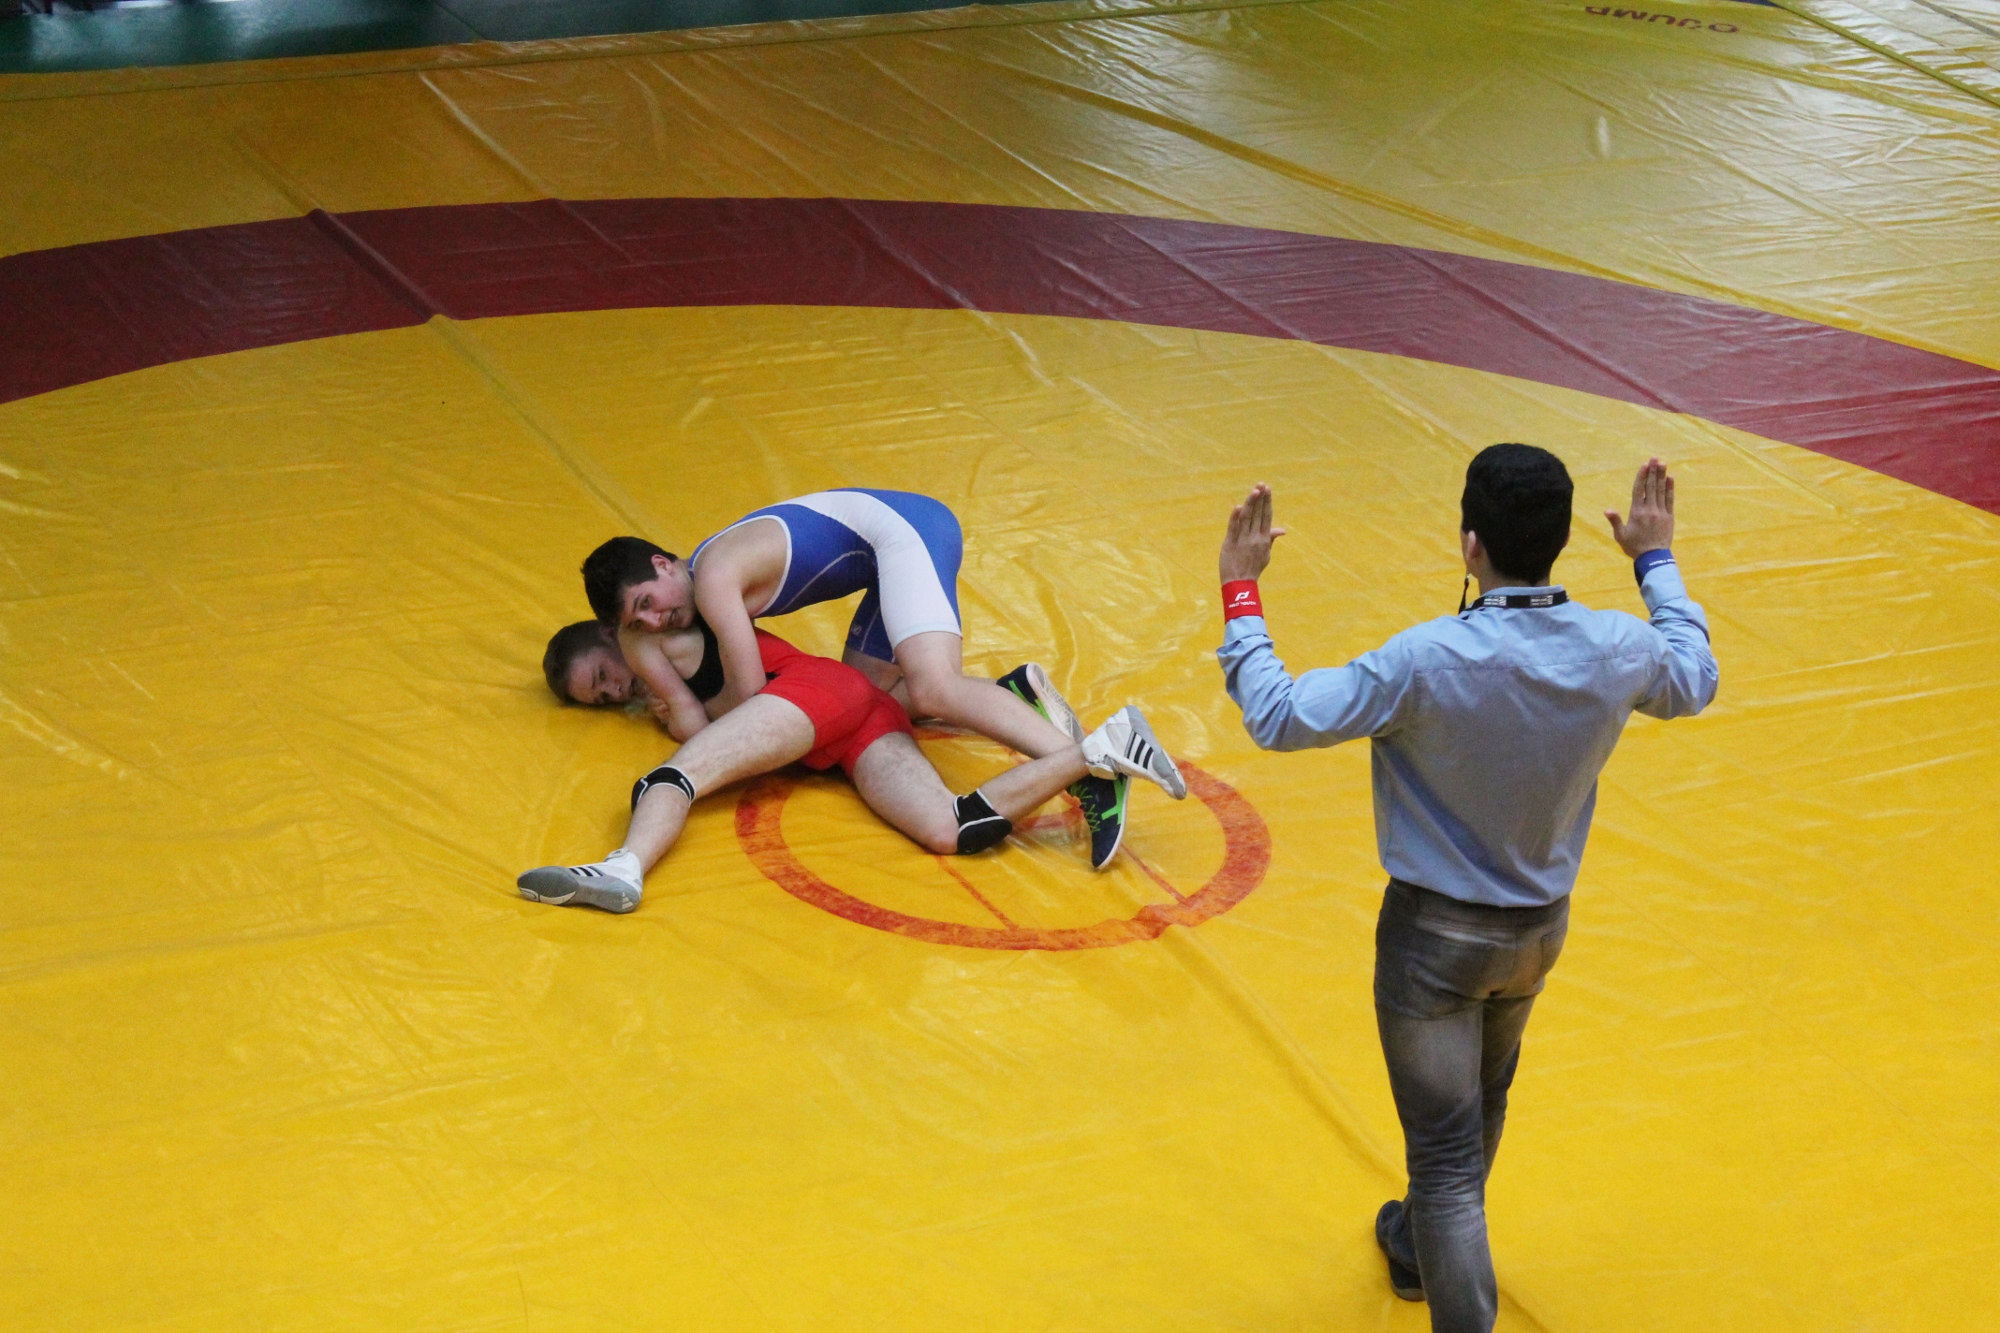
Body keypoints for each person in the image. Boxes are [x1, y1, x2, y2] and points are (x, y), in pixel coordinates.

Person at [1214, 449, 1718, 1333]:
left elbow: (1279, 714)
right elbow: (1695, 674)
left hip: (1434, 944)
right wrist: (1655, 560)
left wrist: (1240, 590)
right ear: (1561, 541)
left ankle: (1447, 1280)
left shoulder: (1426, 658)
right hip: (1535, 932)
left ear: (1469, 544)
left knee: (1446, 1160)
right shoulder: (1617, 646)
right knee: (1484, 1098)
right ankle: (1416, 1248)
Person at [578, 489, 1188, 864]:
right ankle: (1011, 697)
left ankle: (1091, 771)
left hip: (905, 532)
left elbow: (753, 698)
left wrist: (680, 706)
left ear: (664, 564)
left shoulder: (713, 580)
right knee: (868, 695)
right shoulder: (700, 574)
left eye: (648, 604)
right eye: (639, 622)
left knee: (933, 686)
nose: (655, 622)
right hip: (884, 550)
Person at [519, 617, 1179, 911]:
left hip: (820, 694)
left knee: (673, 777)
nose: (616, 690)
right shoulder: (659, 682)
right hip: (851, 724)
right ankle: (1101, 749)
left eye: (603, 674)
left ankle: (623, 867)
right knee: (952, 829)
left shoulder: (663, 637)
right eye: (600, 697)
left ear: (614, 633)